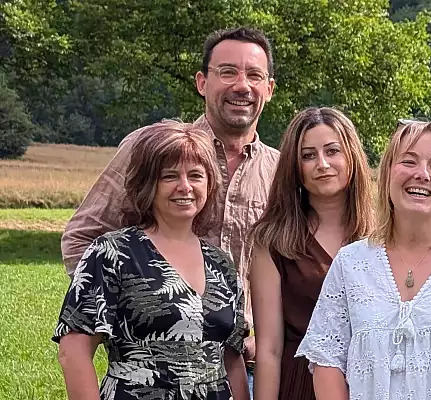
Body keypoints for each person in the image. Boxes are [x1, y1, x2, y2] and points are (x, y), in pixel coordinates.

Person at [60, 26, 281, 376]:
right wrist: (135, 319)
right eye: (227, 72)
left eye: (254, 75)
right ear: (202, 82)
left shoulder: (281, 172)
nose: (242, 86)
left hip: (247, 367)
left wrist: (267, 336)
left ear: (268, 89)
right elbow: (82, 237)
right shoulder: (151, 148)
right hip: (154, 369)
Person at [295, 120, 431, 399]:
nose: (422, 174)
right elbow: (326, 358)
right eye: (409, 162)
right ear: (387, 172)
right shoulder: (350, 263)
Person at [53, 120, 250, 400]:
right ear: (147, 184)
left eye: (196, 175)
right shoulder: (112, 253)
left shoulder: (221, 264)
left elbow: (232, 359)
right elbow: (74, 351)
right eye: (169, 176)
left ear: (209, 184)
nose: (185, 187)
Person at [247, 107, 374, 400]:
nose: (322, 164)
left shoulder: (380, 237)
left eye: (332, 151)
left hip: (367, 385)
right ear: (294, 167)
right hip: (300, 384)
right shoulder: (273, 241)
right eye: (308, 155)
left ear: (351, 157)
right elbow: (269, 349)